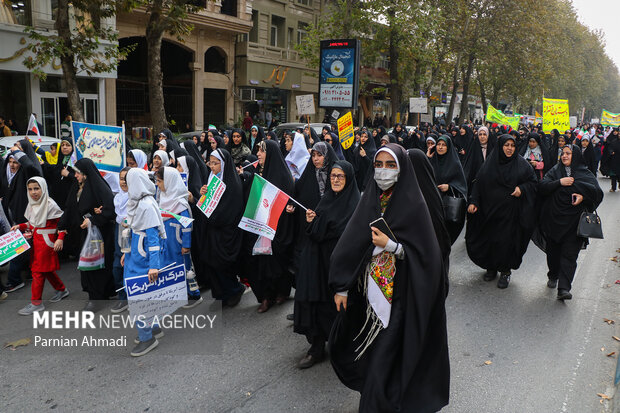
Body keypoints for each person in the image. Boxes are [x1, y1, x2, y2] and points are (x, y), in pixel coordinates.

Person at [328, 143, 449, 413]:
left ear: (402, 169)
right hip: (367, 299)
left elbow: (427, 259)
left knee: (384, 358)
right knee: (372, 359)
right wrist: (342, 287)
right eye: (379, 165)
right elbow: (350, 245)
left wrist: (392, 246)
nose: (383, 172)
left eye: (391, 165)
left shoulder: (414, 205)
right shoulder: (369, 200)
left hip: (401, 300)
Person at [294, 160, 360, 369]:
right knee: (315, 304)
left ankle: (341, 346)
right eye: (333, 176)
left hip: (337, 268)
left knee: (336, 308)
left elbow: (347, 237)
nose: (336, 180)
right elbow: (316, 231)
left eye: (340, 176)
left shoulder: (355, 205)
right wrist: (311, 220)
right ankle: (316, 347)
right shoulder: (326, 200)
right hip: (316, 265)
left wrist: (320, 226)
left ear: (348, 179)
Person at [466, 134, 538, 288]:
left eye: (512, 145)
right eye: (506, 145)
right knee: (489, 239)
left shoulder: (522, 165)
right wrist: (473, 201)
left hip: (510, 213)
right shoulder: (490, 164)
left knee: (505, 242)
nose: (510, 148)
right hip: (489, 211)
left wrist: (522, 188)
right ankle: (491, 268)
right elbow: (479, 183)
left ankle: (505, 271)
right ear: (500, 146)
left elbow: (533, 182)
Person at [537, 144, 603, 300]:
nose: (564, 156)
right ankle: (553, 274)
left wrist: (583, 197)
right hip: (554, 220)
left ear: (577, 156)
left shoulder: (584, 173)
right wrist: (560, 182)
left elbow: (597, 192)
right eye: (563, 153)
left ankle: (564, 288)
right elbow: (542, 187)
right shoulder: (555, 171)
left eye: (568, 153)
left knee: (569, 255)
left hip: (574, 222)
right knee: (553, 253)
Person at [240, 140, 295, 313]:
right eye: (258, 151)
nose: (258, 154)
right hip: (260, 228)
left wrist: (287, 210)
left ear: (270, 153)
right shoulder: (257, 174)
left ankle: (281, 291)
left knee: (277, 262)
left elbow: (288, 200)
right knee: (260, 263)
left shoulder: (283, 176)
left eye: (262, 151)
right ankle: (266, 296)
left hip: (278, 229)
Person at [58, 158, 116, 310]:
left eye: (77, 173)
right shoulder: (76, 187)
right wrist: (61, 227)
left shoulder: (99, 187)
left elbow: (110, 211)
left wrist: (93, 220)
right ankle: (96, 294)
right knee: (87, 264)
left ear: (85, 173)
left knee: (96, 266)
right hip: (82, 234)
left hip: (99, 235)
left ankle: (96, 299)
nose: (75, 176)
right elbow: (69, 208)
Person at [122, 168, 167, 357]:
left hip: (143, 261)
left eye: (128, 181)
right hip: (135, 257)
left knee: (138, 297)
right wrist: (127, 252)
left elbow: (153, 240)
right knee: (142, 295)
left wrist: (154, 266)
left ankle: (146, 337)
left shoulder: (146, 206)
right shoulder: (137, 202)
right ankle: (153, 327)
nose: (125, 184)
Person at [198, 149, 246, 306]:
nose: (212, 166)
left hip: (227, 231)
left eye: (215, 163)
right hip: (213, 230)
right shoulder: (212, 179)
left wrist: (214, 217)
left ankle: (234, 289)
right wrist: (201, 194)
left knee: (224, 264)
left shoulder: (232, 183)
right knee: (212, 262)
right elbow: (206, 204)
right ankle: (222, 292)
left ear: (224, 164)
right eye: (210, 163)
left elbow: (230, 211)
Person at [15, 177, 68, 315]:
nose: (33, 192)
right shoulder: (32, 203)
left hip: (47, 242)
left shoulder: (50, 205)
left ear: (43, 188)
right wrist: (19, 226)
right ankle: (61, 289)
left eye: (36, 188)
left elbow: (62, 224)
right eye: (30, 189)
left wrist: (60, 239)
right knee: (46, 269)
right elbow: (31, 224)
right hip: (35, 242)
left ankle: (36, 303)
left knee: (38, 271)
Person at [156, 166, 203, 308]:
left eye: (159, 181)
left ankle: (194, 295)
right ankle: (179, 294)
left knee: (185, 268)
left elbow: (187, 226)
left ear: (169, 181)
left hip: (179, 243)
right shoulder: (163, 199)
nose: (157, 184)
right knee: (170, 267)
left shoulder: (180, 203)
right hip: (167, 243)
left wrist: (186, 245)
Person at [0, 145, 41, 292]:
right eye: (10, 161)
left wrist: (18, 152)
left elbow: (30, 166)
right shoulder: (5, 172)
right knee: (22, 246)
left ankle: (14, 280)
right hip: (9, 216)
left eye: (16, 162)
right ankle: (28, 272)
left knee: (17, 246)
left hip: (23, 216)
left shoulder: (25, 173)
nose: (12, 165)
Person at [427, 135, 468, 244]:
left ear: (448, 147)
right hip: (430, 204)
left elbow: (462, 185)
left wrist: (449, 187)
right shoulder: (431, 161)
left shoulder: (454, 164)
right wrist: (427, 159)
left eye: (444, 145)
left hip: (446, 207)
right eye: (439, 144)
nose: (440, 147)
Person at [110, 167, 130, 314]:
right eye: (121, 178)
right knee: (117, 267)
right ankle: (122, 297)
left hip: (133, 233)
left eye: (126, 178)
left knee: (130, 267)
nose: (123, 182)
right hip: (120, 231)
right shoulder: (118, 197)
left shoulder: (138, 196)